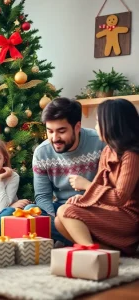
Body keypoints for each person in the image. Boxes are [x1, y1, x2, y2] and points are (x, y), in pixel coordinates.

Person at [56, 99, 139, 255]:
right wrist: (82, 200)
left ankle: (91, 253)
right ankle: (109, 253)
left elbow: (119, 198)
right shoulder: (108, 151)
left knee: (67, 211)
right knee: (60, 219)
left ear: (111, 124)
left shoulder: (131, 156)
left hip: (127, 218)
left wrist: (86, 185)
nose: (95, 127)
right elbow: (99, 185)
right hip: (109, 211)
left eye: (97, 122)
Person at [25, 97, 105, 245]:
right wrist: (56, 220)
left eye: (61, 131)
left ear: (77, 127)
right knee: (30, 210)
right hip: (60, 211)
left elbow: (109, 189)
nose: (55, 138)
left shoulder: (99, 143)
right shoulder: (42, 153)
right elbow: (42, 196)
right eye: (50, 131)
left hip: (92, 209)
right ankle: (74, 237)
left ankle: (69, 238)